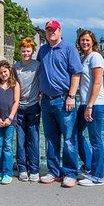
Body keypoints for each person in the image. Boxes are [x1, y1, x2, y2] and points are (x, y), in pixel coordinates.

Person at [37, 19, 83, 188]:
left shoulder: (69, 48)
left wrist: (71, 96)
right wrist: (40, 93)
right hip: (47, 101)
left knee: (69, 138)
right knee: (51, 138)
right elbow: (40, 73)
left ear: (60, 31)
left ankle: (70, 173)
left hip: (64, 99)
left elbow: (76, 74)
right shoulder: (42, 50)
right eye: (48, 30)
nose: (51, 32)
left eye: (54, 30)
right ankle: (54, 171)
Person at [76, 30, 104, 186]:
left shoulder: (96, 57)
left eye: (87, 40)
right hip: (84, 103)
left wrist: (90, 105)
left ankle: (97, 176)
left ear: (93, 41)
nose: (85, 43)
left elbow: (97, 82)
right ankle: (88, 166)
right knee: (76, 133)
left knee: (96, 140)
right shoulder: (84, 58)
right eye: (82, 40)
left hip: (95, 104)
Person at [13, 37, 40, 182]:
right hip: (19, 107)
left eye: (28, 51)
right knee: (21, 139)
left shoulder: (37, 65)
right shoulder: (15, 67)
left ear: (32, 51)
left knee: (34, 139)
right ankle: (22, 168)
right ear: (20, 51)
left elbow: (43, 82)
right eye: (23, 51)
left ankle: (34, 169)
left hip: (33, 105)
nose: (25, 53)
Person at [0, 60, 20, 185]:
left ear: (10, 71)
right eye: (1, 72)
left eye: (5, 71)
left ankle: (8, 172)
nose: (3, 74)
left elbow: (16, 101)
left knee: (7, 145)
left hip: (10, 121)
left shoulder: (14, 84)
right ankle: (0, 170)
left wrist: (10, 117)